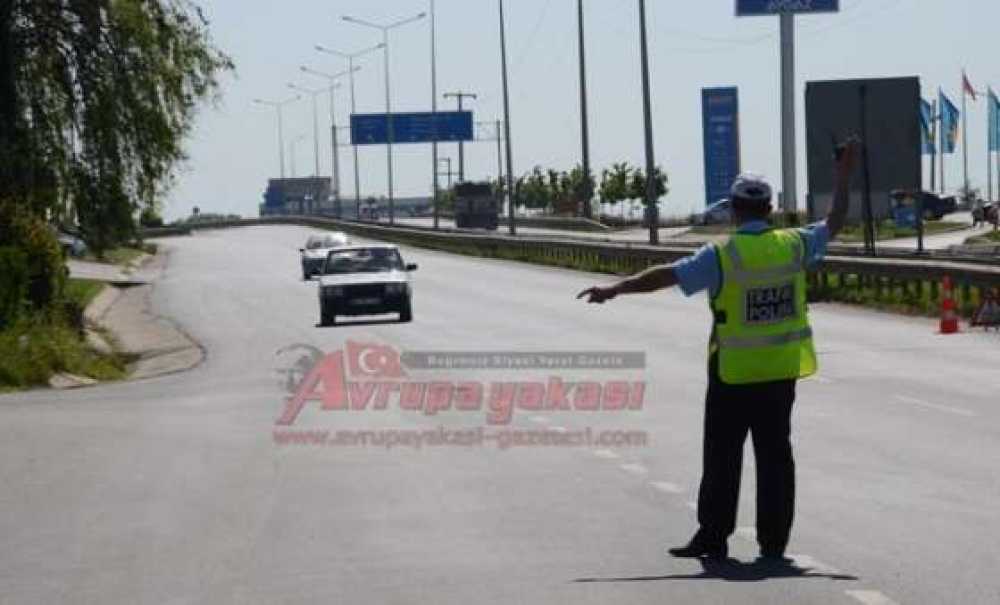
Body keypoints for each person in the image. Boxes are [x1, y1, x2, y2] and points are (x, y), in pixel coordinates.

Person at [577, 140, 858, 561]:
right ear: (770, 208)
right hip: (781, 372)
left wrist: (615, 289)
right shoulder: (795, 244)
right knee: (776, 458)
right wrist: (843, 173)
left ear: (733, 209)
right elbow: (835, 221)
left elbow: (665, 276)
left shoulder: (723, 256)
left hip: (732, 373)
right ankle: (774, 543)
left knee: (723, 457)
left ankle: (713, 536)